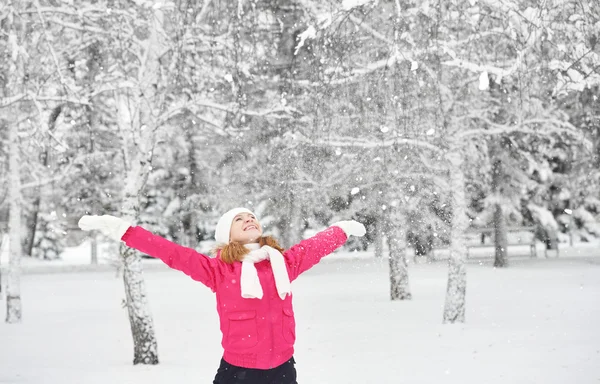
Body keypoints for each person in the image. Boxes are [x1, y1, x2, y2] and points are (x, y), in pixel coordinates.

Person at [78, 207, 366, 384]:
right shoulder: (218, 270)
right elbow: (170, 252)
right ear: (227, 235)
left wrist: (339, 231)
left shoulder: (281, 262)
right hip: (238, 373)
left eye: (252, 216)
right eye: (239, 219)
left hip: (282, 370)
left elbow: (312, 248)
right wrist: (124, 230)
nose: (249, 219)